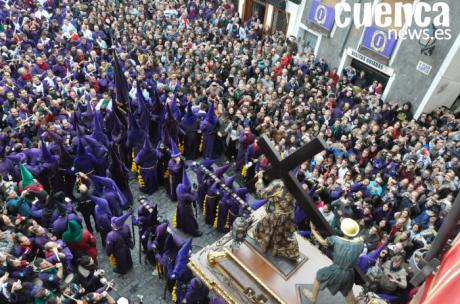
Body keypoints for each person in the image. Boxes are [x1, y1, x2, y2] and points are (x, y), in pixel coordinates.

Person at [304, 218, 364, 304]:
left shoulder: (335, 239)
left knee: (319, 275)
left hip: (336, 270)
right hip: (349, 273)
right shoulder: (360, 244)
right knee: (348, 291)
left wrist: (313, 230)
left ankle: (313, 297)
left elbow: (322, 242)